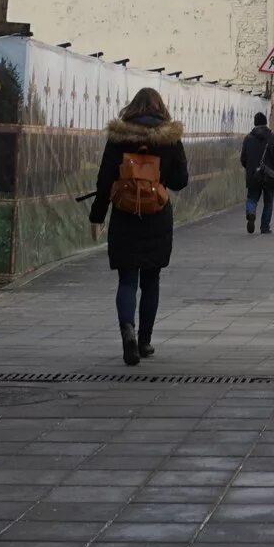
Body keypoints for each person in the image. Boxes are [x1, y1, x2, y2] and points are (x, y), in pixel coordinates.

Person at [89, 88, 190, 366]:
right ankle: (145, 341)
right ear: (160, 107)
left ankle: (128, 334)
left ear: (132, 107)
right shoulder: (169, 138)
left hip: (124, 213)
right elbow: (181, 180)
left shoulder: (118, 137)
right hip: (156, 215)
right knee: (151, 280)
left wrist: (97, 215)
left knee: (127, 280)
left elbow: (104, 180)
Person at [240, 112, 274, 234]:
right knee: (268, 201)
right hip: (269, 176)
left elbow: (243, 159)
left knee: (252, 198)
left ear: (255, 123)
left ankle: (251, 213)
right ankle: (265, 227)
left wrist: (250, 169)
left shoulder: (248, 139)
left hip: (253, 175)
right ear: (266, 122)